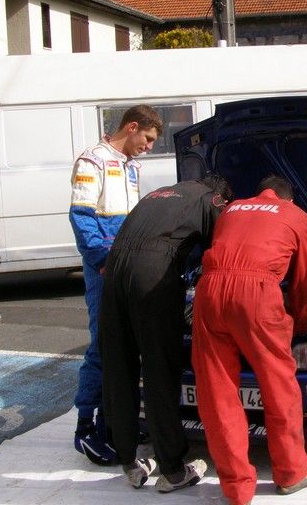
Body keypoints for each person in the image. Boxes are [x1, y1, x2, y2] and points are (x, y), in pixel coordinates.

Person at [191, 176, 307, 505]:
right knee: (279, 386)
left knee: (216, 392)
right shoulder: (295, 215)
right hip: (256, 294)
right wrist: (301, 322)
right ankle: (291, 473)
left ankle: (236, 488)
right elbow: (305, 278)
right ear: (288, 199)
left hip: (209, 292)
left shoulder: (232, 208)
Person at [100, 175, 232, 490]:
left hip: (114, 272)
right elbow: (225, 248)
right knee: (159, 367)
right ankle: (172, 470)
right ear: (222, 196)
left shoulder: (159, 193)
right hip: (153, 274)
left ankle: (128, 460)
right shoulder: (210, 199)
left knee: (119, 365)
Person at [69, 104, 162, 465]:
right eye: (148, 139)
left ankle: (115, 423)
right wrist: (102, 260)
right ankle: (85, 429)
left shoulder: (131, 166)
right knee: (102, 346)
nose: (149, 147)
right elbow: (81, 216)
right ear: (132, 127)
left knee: (126, 346)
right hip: (104, 267)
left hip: (126, 263)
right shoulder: (92, 160)